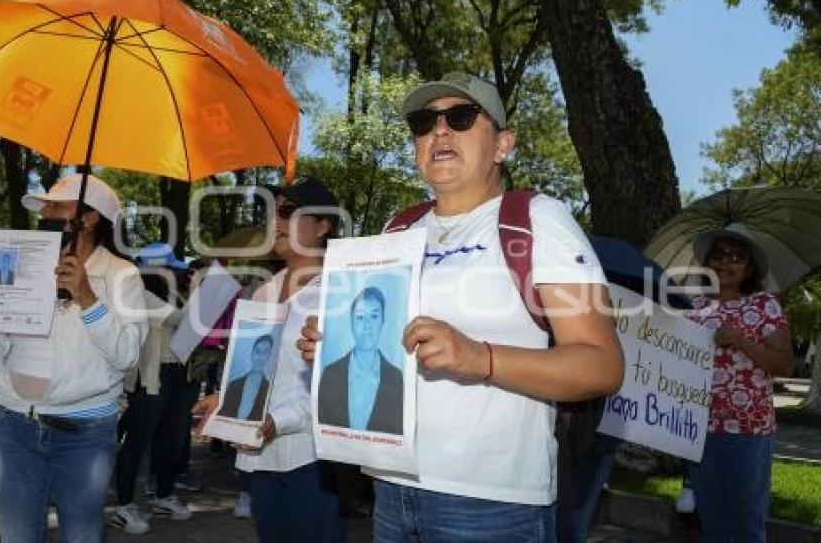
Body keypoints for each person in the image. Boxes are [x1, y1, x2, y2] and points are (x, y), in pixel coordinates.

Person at [299, 72, 623, 542]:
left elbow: (602, 364)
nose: (440, 131)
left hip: (492, 503)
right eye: (424, 122)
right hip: (391, 489)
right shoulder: (397, 228)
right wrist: (331, 339)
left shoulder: (536, 219)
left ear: (503, 144)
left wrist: (482, 358)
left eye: (462, 117)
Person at [0, 174, 147, 543]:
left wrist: (86, 296)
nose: (46, 212)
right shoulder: (19, 266)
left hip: (84, 435)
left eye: (56, 205)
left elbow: (128, 356)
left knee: (82, 535)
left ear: (91, 217)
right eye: (44, 207)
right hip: (14, 427)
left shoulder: (121, 275)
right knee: (18, 536)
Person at [193, 175, 345, 543]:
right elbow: (252, 368)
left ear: (323, 225)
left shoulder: (340, 291)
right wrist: (225, 400)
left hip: (311, 460)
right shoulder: (264, 291)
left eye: (288, 211)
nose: (275, 222)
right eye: (272, 212)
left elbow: (338, 386)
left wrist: (280, 421)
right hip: (259, 460)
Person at [688, 223, 793, 543]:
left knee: (746, 521)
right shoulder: (691, 309)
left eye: (736, 256)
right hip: (698, 429)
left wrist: (740, 341)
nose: (725, 262)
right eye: (718, 255)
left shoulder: (765, 305)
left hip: (748, 429)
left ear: (749, 268)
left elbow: (785, 365)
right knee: (711, 519)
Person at [112, 244, 193, 534]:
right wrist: (206, 298)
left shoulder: (173, 294)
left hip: (177, 373)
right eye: (168, 267)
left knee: (171, 440)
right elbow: (176, 319)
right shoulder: (140, 294)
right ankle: (123, 504)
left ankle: (164, 496)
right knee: (137, 441)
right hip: (151, 377)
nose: (173, 272)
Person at [318, 286, 403, 434]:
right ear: (351, 322)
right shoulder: (330, 374)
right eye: (360, 317)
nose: (367, 326)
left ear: (383, 321)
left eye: (374, 316)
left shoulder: (396, 378)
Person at [218, 334, 273, 421]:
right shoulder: (233, 385)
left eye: (265, 353)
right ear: (252, 354)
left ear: (269, 357)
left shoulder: (270, 389)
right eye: (257, 351)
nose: (260, 358)